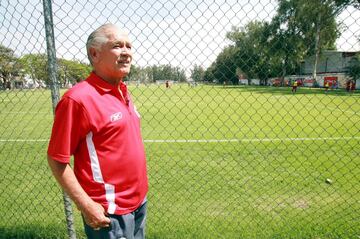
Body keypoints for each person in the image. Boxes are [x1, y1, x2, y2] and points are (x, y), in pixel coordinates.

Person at [47, 23, 148, 239]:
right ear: (94, 53)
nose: (126, 52)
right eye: (117, 46)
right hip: (109, 211)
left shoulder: (122, 90)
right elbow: (57, 159)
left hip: (139, 203)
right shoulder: (77, 100)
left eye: (129, 46)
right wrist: (86, 205)